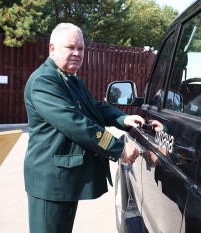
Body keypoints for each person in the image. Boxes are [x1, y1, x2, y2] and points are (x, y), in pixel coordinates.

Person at [23, 23, 145, 233]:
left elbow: (93, 108)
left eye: (80, 48)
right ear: (52, 48)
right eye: (70, 47)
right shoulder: (45, 81)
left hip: (64, 181)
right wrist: (118, 148)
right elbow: (76, 124)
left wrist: (123, 119)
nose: (77, 53)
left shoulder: (70, 79)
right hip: (50, 183)